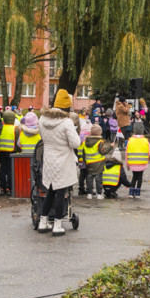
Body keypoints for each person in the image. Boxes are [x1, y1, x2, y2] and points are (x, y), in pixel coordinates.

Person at [37, 92, 80, 235]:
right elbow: (75, 143)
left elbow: (42, 136)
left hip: (49, 157)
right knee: (61, 191)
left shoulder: (42, 118)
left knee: (50, 190)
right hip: (62, 159)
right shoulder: (66, 122)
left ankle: (43, 222)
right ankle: (57, 224)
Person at [80, 124, 111, 199]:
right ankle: (99, 194)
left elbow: (83, 153)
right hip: (98, 163)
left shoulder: (85, 142)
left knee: (89, 178)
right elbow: (103, 152)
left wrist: (83, 161)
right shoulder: (100, 142)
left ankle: (89, 193)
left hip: (89, 163)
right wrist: (110, 146)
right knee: (98, 179)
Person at [125, 122, 150, 198]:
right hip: (142, 163)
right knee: (140, 177)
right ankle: (138, 193)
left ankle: (131, 192)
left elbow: (127, 153)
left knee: (134, 177)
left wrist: (127, 164)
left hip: (133, 162)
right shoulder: (146, 141)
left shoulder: (130, 140)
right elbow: (149, 152)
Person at [0, 111, 19, 195]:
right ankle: (10, 188)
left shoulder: (1, 128)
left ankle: (2, 188)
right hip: (12, 152)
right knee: (11, 170)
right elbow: (17, 142)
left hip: (2, 151)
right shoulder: (15, 129)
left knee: (2, 169)